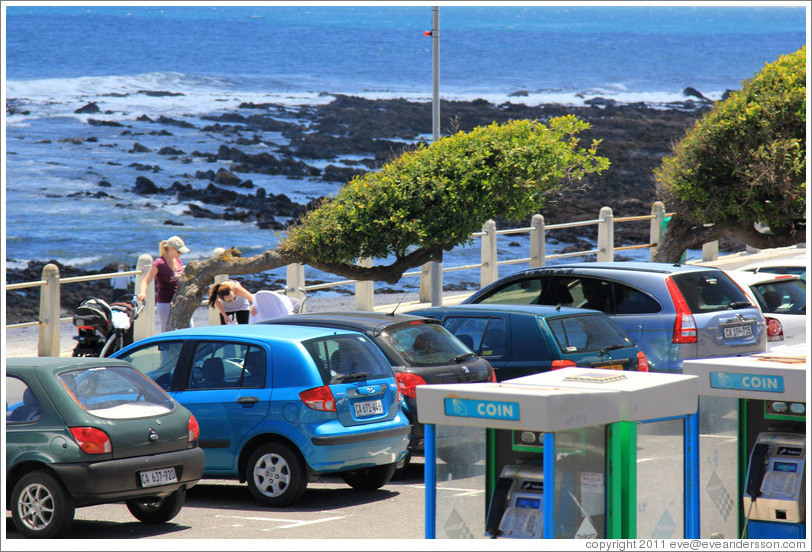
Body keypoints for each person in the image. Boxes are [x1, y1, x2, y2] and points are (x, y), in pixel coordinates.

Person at [137, 235, 190, 332]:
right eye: (179, 251)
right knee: (166, 330)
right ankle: (163, 347)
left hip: (180, 300)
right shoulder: (159, 263)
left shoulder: (178, 261)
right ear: (170, 249)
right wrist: (143, 293)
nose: (180, 254)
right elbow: (145, 281)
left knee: (188, 327)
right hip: (165, 302)